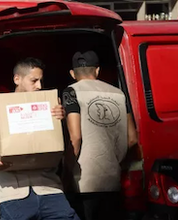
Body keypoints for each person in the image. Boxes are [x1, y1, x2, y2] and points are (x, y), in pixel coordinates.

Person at [0, 57, 80, 220]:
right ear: (17, 79)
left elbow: (65, 145)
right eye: (34, 80)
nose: (39, 86)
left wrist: (62, 120)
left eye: (41, 81)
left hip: (49, 190)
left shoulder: (51, 106)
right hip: (13, 194)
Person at [62, 51, 138, 220]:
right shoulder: (119, 94)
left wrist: (67, 173)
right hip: (113, 181)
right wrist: (117, 163)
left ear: (72, 74)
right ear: (97, 71)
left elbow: (76, 138)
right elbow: (132, 139)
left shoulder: (71, 92)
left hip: (84, 182)